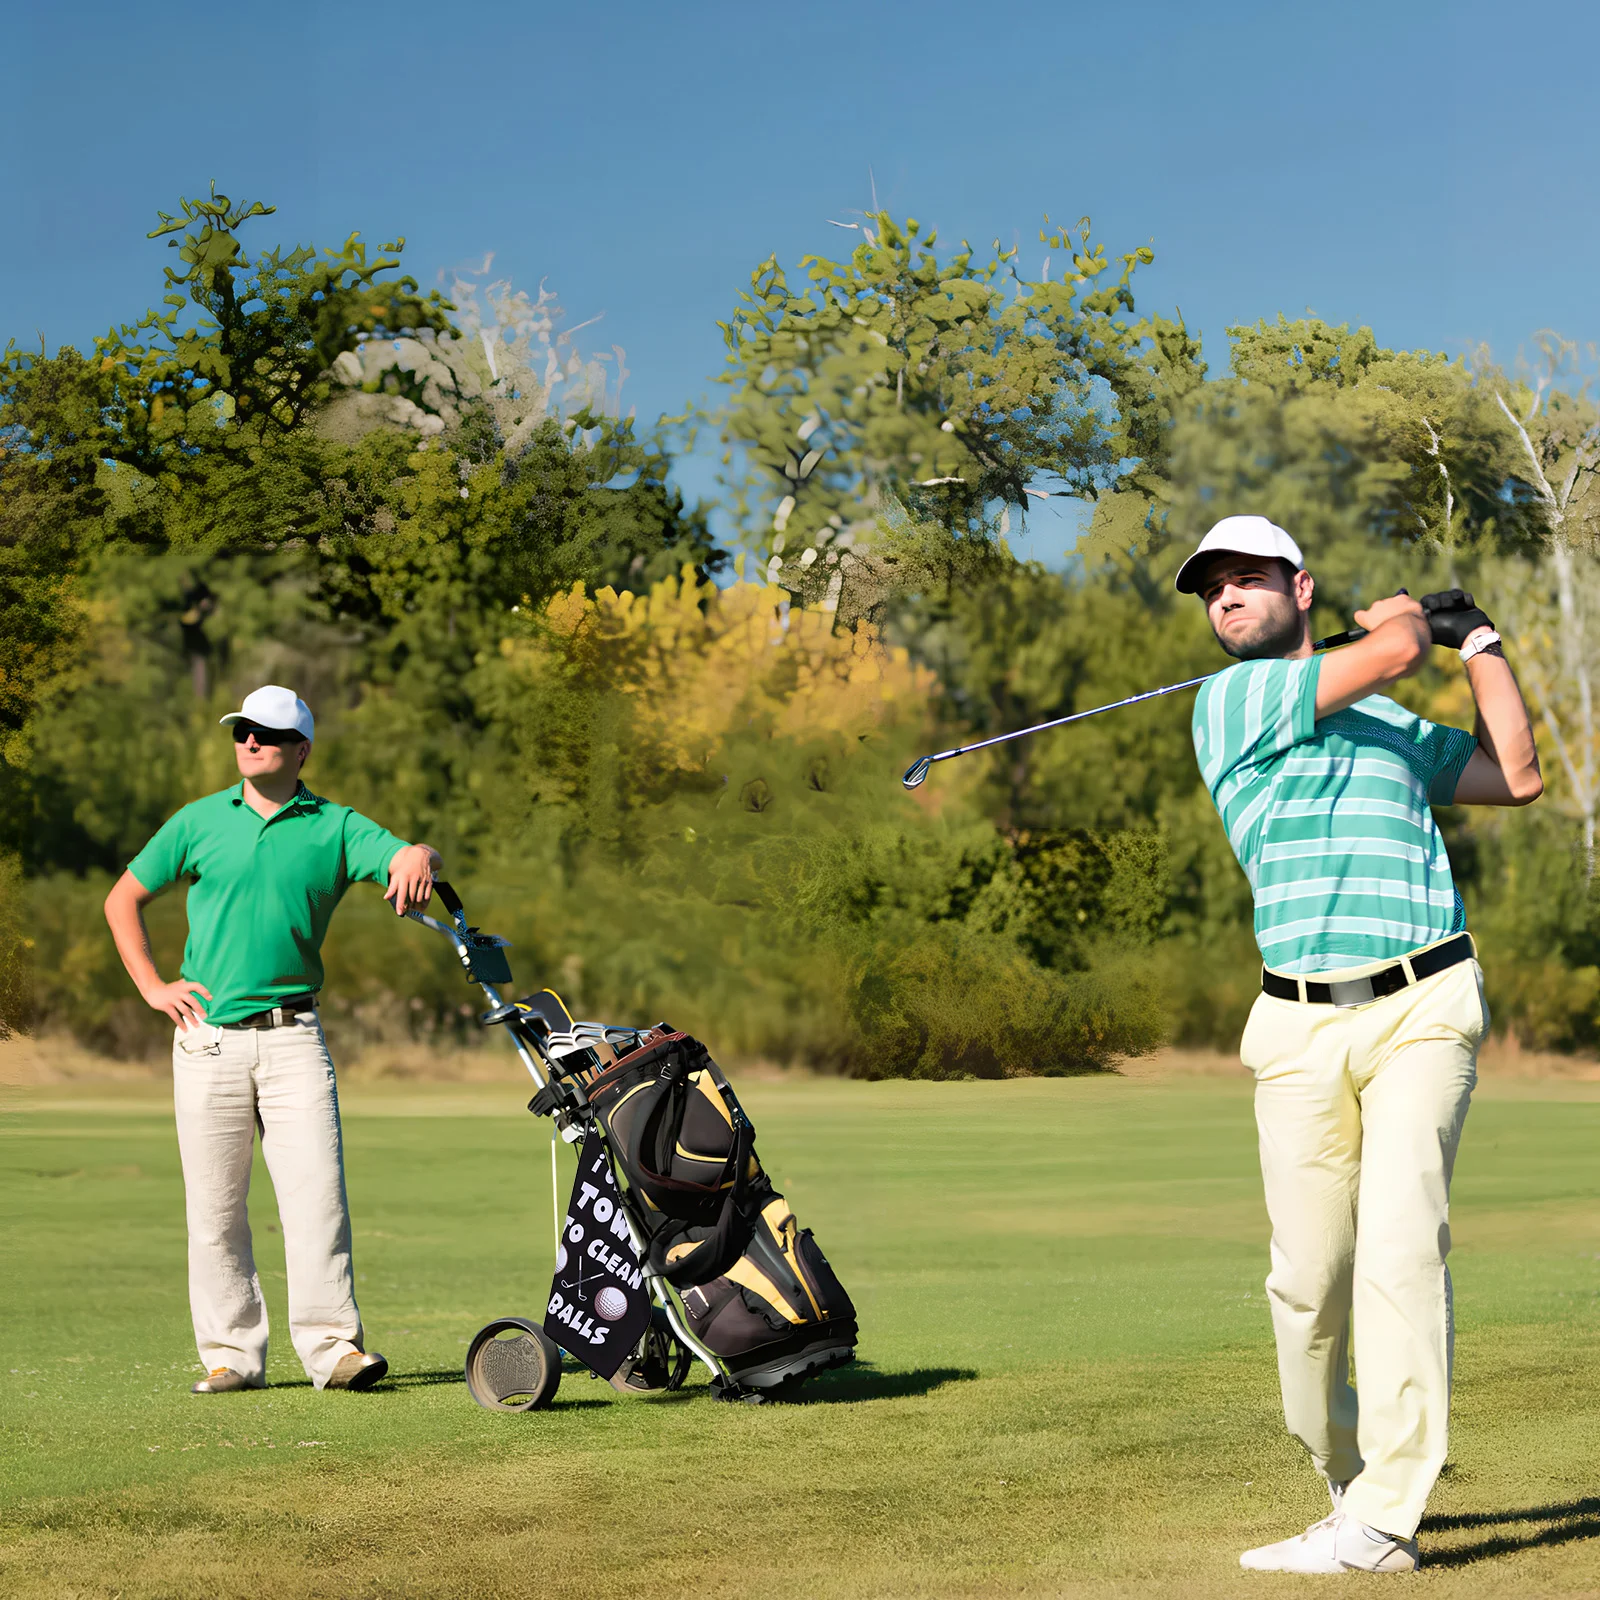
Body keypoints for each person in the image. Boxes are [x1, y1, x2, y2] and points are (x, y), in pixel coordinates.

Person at [1177, 516, 1542, 1575]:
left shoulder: (1383, 721)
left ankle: (1383, 1519)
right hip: (1294, 1022)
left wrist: (1475, 644)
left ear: (1298, 586)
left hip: (1424, 1001)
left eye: (1247, 580)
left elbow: (1512, 776)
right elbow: (1382, 649)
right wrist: (1401, 622)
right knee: (1309, 1280)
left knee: (1396, 1248)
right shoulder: (1228, 701)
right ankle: (1346, 1475)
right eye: (1213, 590)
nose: (1228, 599)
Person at [104, 685, 441, 1395]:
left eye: (266, 733)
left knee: (318, 1200)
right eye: (242, 732)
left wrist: (419, 852)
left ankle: (334, 1351)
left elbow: (404, 856)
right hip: (207, 1041)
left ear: (300, 750)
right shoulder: (198, 821)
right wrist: (152, 986)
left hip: (294, 1041)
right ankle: (231, 1356)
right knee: (216, 1210)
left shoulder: (334, 825)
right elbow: (122, 898)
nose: (250, 742)